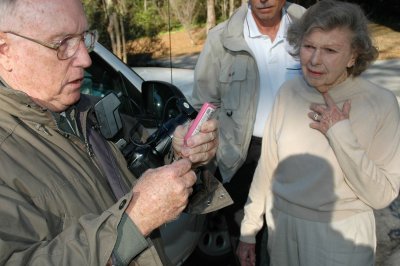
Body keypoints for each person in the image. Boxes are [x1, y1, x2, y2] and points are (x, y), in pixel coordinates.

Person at [0, 0, 222, 265]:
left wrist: (185, 156)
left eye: (83, 39)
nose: (84, 58)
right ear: (5, 52)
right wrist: (134, 221)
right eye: (62, 43)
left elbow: (148, 177)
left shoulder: (92, 112)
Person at [237, 0, 400, 265]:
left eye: (330, 50)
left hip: (341, 238)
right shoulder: (288, 93)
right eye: (309, 46)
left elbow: (381, 195)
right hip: (281, 230)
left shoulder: (380, 103)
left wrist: (340, 132)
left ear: (353, 55)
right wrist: (249, 230)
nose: (314, 60)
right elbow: (267, 167)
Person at [191, 0, 305, 263]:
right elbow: (205, 104)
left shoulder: (311, 28)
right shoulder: (222, 38)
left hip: (298, 155)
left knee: (293, 244)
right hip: (242, 159)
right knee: (246, 247)